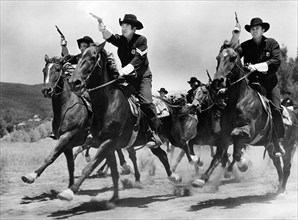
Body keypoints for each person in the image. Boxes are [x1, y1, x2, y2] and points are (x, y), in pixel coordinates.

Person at [98, 14, 163, 147]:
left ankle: (154, 133)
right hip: (127, 76)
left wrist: (121, 72)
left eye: (127, 26)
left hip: (142, 77)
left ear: (134, 29)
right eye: (122, 25)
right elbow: (110, 37)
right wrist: (103, 27)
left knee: (146, 102)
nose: (123, 28)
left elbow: (137, 60)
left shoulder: (141, 40)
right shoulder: (121, 40)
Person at [231, 17, 285, 156]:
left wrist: (255, 66)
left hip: (270, 84)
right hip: (252, 85)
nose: (254, 30)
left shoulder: (272, 43)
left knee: (276, 108)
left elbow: (276, 61)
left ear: (263, 30)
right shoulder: (246, 45)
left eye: (257, 28)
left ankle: (277, 142)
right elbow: (232, 54)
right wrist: (235, 35)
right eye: (252, 29)